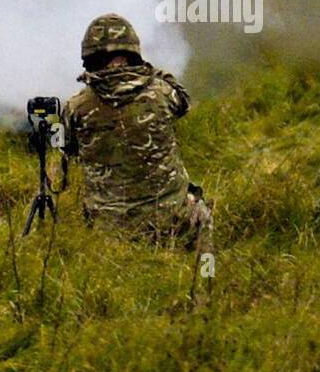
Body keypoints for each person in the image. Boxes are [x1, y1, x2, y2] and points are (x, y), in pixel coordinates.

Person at [61, 14, 213, 252]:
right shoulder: (162, 92)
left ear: (89, 60)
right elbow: (183, 101)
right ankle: (205, 281)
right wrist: (150, 72)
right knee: (201, 211)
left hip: (108, 231)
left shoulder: (75, 108)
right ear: (133, 54)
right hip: (171, 222)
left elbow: (67, 148)